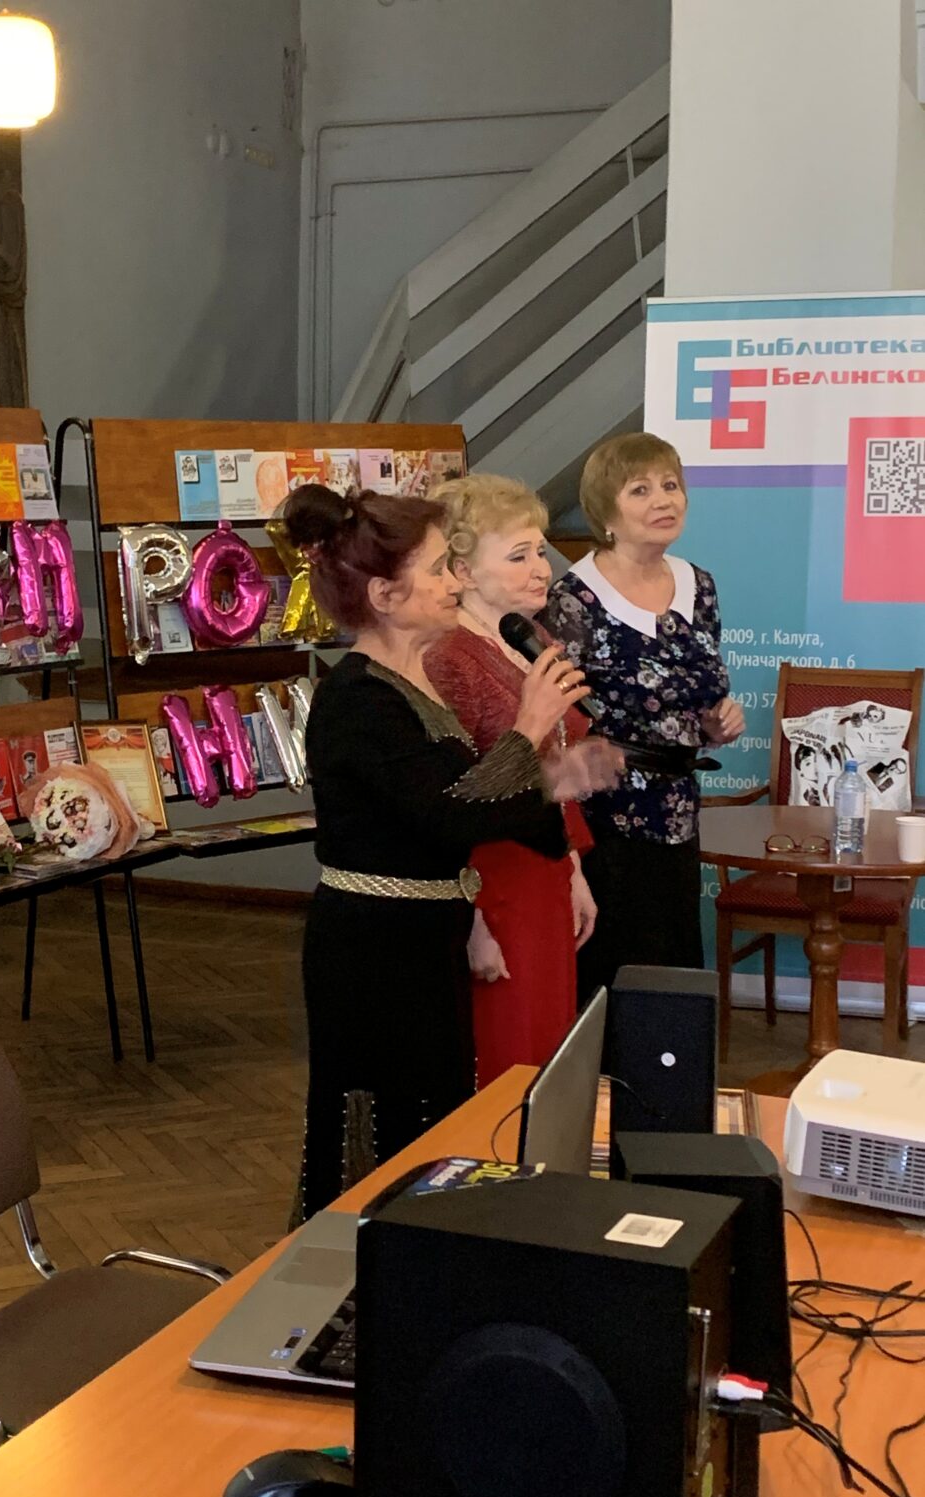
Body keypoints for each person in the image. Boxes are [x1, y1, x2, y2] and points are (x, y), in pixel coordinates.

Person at [289, 483, 620, 1220]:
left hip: (422, 936)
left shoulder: (410, 681)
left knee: (433, 1117)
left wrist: (556, 779)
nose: (453, 581)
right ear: (384, 594)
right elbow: (449, 817)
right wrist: (531, 728)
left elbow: (466, 801)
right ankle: (361, 1259)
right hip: (372, 949)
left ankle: (425, 1253)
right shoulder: (358, 698)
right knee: (379, 1128)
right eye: (439, 569)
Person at [544, 433, 745, 1001]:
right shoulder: (574, 598)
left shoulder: (699, 585)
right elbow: (557, 715)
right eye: (640, 490)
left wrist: (716, 724)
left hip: (678, 805)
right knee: (617, 966)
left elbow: (697, 696)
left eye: (670, 485)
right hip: (607, 811)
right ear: (606, 512)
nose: (663, 500)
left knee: (672, 969)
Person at [423, 475, 596, 1082]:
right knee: (506, 1051)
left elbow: (554, 760)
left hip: (544, 868)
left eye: (541, 552)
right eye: (519, 556)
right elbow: (449, 800)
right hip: (492, 878)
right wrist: (471, 922)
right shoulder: (446, 657)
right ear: (463, 571)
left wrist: (573, 869)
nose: (541, 569)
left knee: (548, 1049)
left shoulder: (530, 637)